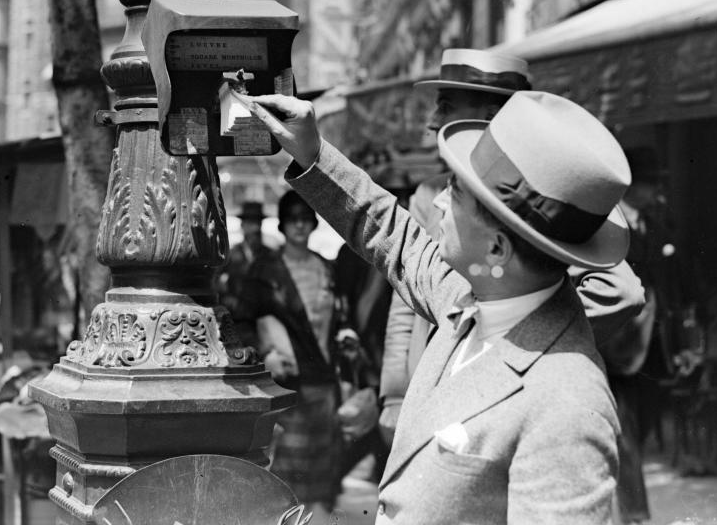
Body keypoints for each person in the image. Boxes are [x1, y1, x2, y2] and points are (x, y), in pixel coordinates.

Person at [249, 89, 633, 523]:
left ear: (496, 248)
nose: (437, 202)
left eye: (455, 190)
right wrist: (312, 150)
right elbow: (393, 235)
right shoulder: (470, 298)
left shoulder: (567, 402)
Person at [379, 48, 643, 446]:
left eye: (446, 106)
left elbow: (620, 291)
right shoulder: (431, 193)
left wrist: (515, 341)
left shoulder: (547, 195)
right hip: (431, 387)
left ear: (487, 118)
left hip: (502, 399)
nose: (433, 122)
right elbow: (405, 296)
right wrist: (396, 392)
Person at [232, 191, 345, 519]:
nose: (299, 225)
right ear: (282, 224)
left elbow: (339, 317)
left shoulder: (325, 267)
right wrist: (263, 354)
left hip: (323, 384)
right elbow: (240, 320)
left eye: (305, 219)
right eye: (292, 218)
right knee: (288, 468)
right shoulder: (264, 270)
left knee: (322, 468)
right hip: (287, 385)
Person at [214, 201, 273, 316]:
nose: (256, 228)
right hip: (237, 317)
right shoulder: (231, 254)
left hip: (264, 315)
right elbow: (214, 280)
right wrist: (225, 297)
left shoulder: (269, 255)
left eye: (258, 223)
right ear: (242, 225)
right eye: (251, 223)